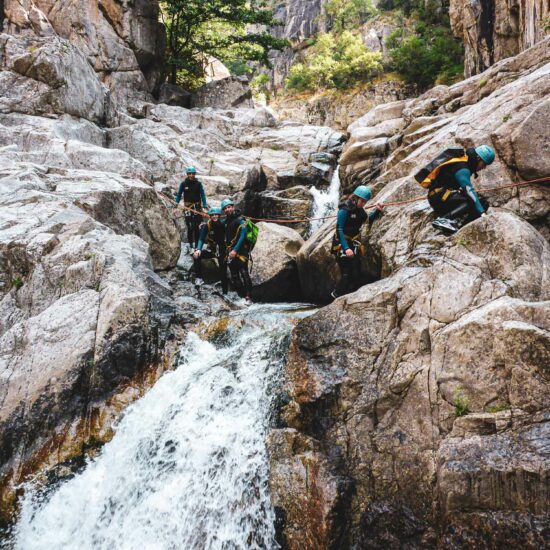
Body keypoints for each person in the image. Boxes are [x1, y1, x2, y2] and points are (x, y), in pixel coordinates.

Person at [424, 145, 494, 234]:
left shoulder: (465, 162)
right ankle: (444, 219)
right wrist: (482, 213)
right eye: (484, 164)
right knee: (473, 200)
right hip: (439, 197)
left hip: (441, 197)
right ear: (478, 158)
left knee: (482, 203)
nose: (483, 167)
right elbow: (469, 190)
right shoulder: (462, 167)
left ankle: (459, 229)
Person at [331, 185, 383, 299]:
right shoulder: (344, 210)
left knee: (356, 273)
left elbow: (367, 220)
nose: (363, 204)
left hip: (353, 244)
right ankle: (336, 295)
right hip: (341, 244)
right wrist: (346, 248)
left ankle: (348, 297)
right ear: (356, 198)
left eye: (365, 202)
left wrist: (377, 210)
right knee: (346, 273)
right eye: (362, 201)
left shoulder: (360, 211)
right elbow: (339, 229)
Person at [221, 198, 253, 302]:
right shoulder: (226, 221)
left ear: (233, 207)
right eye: (225, 208)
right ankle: (241, 297)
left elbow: (243, 235)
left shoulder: (241, 220)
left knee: (244, 273)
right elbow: (217, 225)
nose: (227, 209)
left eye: (229, 207)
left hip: (241, 251)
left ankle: (249, 297)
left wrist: (235, 250)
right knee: (234, 275)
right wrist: (205, 225)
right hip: (230, 252)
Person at [192, 207, 228, 294]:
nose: (214, 216)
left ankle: (225, 292)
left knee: (223, 272)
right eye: (212, 215)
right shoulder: (207, 225)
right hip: (212, 250)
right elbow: (201, 238)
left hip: (223, 251)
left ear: (219, 215)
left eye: (216, 215)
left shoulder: (224, 224)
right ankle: (199, 278)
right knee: (197, 255)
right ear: (210, 216)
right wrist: (199, 249)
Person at [173, 166, 208, 249]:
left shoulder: (198, 184)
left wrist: (205, 206)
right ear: (187, 174)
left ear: (194, 174)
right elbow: (179, 195)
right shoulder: (183, 184)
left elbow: (202, 195)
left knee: (197, 227)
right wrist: (175, 206)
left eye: (192, 173)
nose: (191, 175)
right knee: (189, 226)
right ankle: (190, 245)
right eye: (189, 173)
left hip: (197, 208)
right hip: (188, 208)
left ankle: (196, 246)